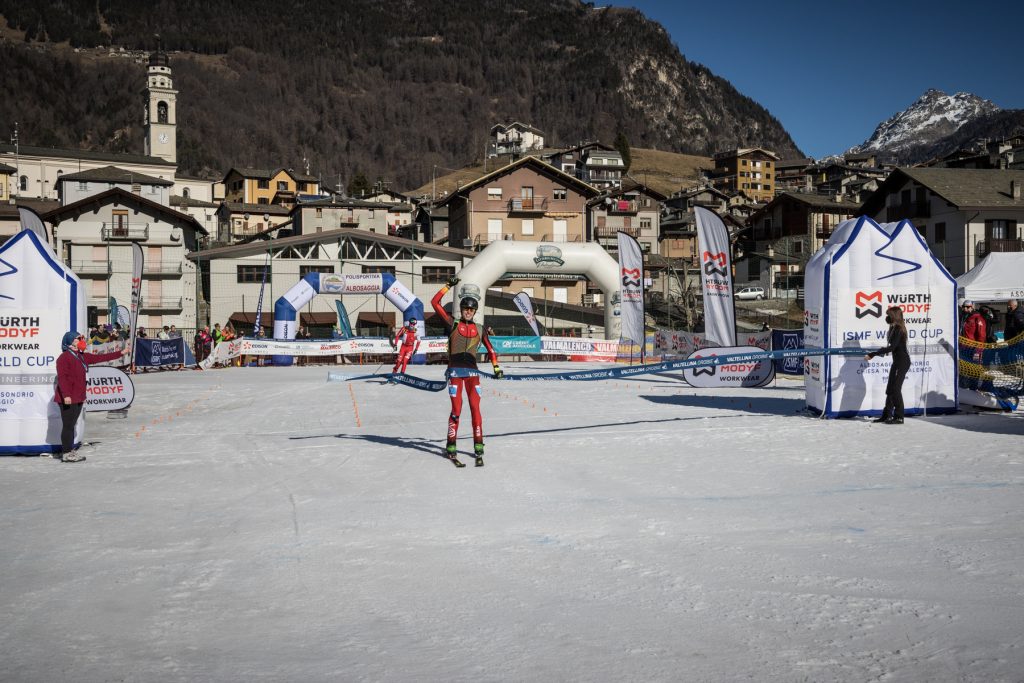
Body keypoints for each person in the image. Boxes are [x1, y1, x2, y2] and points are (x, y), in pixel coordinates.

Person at [431, 276, 502, 467]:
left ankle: (478, 446)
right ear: (461, 310)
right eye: (465, 309)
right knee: (456, 409)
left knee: (475, 409)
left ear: (475, 311)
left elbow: (490, 349)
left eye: (471, 309)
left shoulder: (480, 329)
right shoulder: (452, 323)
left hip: (472, 374)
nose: (468, 312)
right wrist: (447, 286)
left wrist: (496, 367)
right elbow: (435, 303)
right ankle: (451, 445)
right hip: (455, 372)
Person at [52, 331, 131, 462]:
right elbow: (62, 378)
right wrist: (66, 395)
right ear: (70, 342)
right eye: (79, 339)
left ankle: (70, 451)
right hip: (68, 398)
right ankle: (66, 453)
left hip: (78, 396)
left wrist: (120, 353)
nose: (82, 340)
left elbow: (100, 358)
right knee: (68, 425)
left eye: (82, 338)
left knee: (72, 424)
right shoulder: (64, 358)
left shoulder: (81, 356)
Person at [865, 306, 911, 425]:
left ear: (894, 316)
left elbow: (892, 347)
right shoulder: (893, 328)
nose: (887, 318)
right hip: (897, 361)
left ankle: (899, 416)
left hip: (902, 362)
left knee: (896, 389)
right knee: (890, 389)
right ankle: (887, 415)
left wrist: (873, 354)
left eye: (888, 315)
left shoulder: (899, 329)